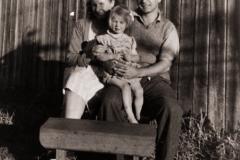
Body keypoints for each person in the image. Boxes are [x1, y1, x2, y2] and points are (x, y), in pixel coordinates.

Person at [99, 0, 183, 159]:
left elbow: (165, 64)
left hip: (154, 80)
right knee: (110, 101)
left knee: (172, 108)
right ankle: (117, 156)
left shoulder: (167, 28)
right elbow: (104, 46)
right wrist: (109, 65)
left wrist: (138, 72)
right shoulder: (125, 18)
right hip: (122, 75)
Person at [63, 0, 115, 119]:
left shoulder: (119, 24)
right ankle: (70, 127)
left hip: (109, 75)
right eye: (94, 5)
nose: (97, 9)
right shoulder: (83, 25)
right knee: (77, 79)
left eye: (102, 4)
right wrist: (90, 55)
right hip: (85, 70)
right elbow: (70, 57)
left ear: (112, 3)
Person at [94, 5, 145, 123]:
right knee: (125, 87)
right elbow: (100, 57)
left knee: (139, 90)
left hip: (127, 71)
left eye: (121, 22)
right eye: (114, 21)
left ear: (126, 24)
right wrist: (112, 56)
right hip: (112, 73)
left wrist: (130, 57)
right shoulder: (105, 39)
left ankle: (138, 116)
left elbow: (137, 57)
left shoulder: (129, 40)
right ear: (109, 21)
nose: (117, 25)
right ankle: (130, 115)